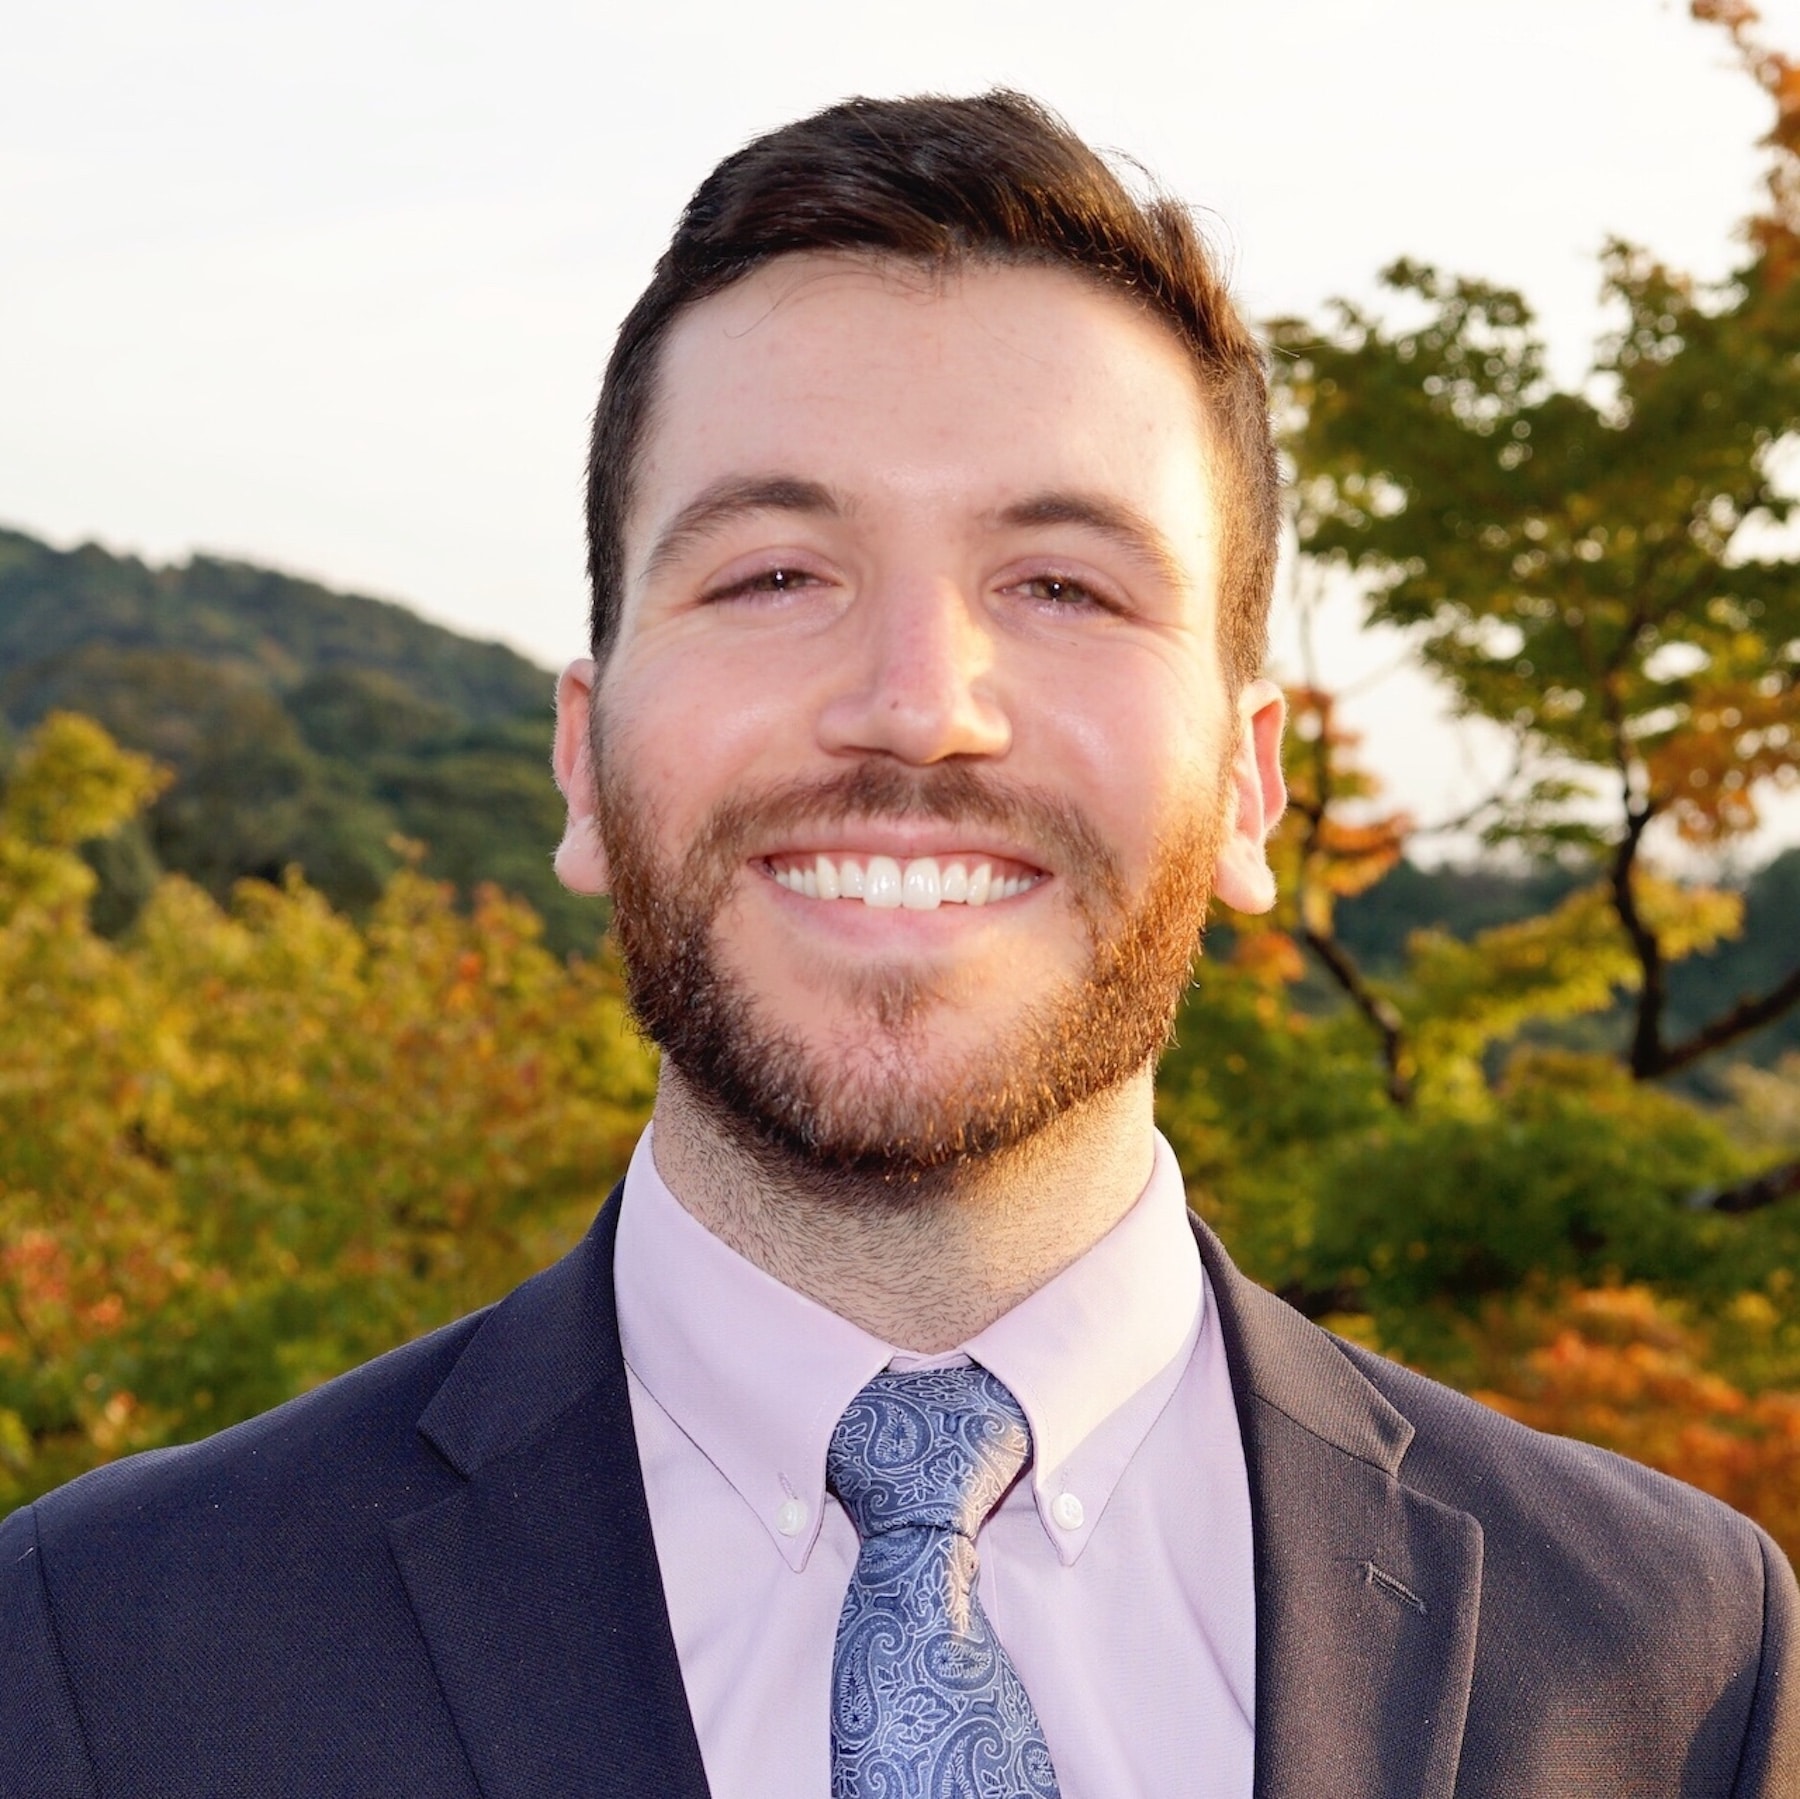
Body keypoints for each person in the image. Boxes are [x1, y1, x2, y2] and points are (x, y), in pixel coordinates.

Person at [2, 91, 1794, 1799]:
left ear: (1252, 788)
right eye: (775, 574)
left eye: (1064, 585)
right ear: (583, 759)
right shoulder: (95, 1651)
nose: (920, 706)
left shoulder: (1677, 1664)